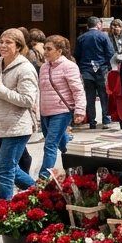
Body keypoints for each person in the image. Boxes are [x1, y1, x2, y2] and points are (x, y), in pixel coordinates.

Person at [0, 29, 40, 200]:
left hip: (16, 126)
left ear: (18, 46)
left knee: (4, 170)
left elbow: (27, 100)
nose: (3, 45)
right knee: (3, 167)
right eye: (1, 41)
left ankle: (3, 209)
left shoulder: (25, 69)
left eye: (8, 42)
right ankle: (40, 193)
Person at [37, 35, 85, 178]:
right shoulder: (44, 67)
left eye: (49, 49)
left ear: (59, 51)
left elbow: (78, 90)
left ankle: (44, 178)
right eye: (45, 48)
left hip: (62, 111)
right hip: (45, 111)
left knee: (50, 144)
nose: (45, 51)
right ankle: (75, 165)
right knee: (63, 145)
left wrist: (80, 110)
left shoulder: (69, 66)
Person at [76, 17, 114, 129]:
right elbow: (110, 52)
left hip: (86, 69)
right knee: (103, 95)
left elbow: (77, 54)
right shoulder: (104, 36)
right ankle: (106, 119)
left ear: (87, 26)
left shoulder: (81, 38)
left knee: (90, 96)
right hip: (101, 68)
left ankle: (92, 121)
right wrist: (107, 64)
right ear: (98, 25)